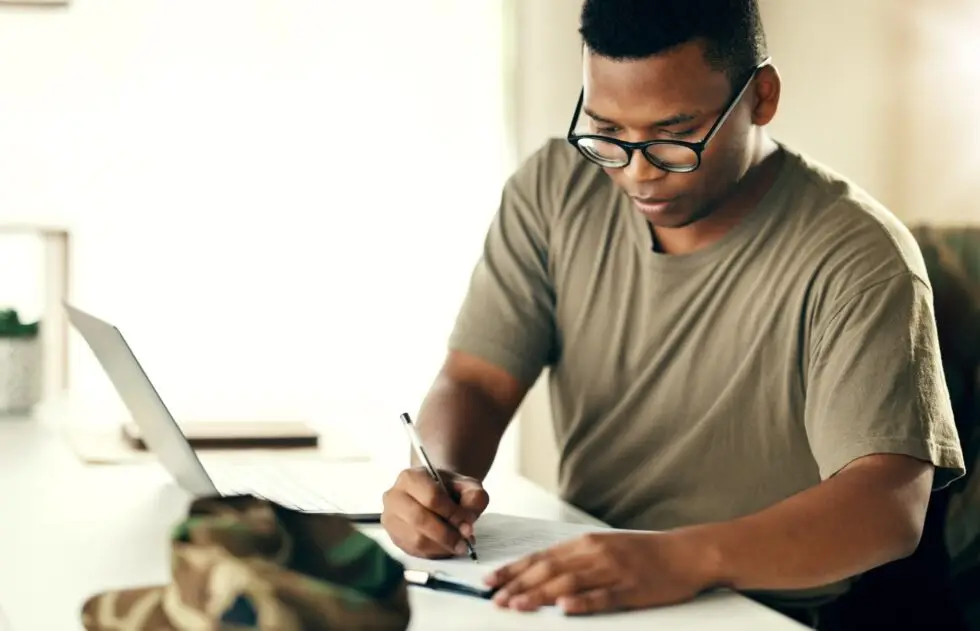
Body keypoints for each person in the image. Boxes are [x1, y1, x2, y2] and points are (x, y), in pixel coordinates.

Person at [379, 0, 967, 626]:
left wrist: (679, 559)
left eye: (673, 136)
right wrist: (440, 478)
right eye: (607, 131)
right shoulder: (555, 189)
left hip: (766, 609)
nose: (636, 173)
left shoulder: (859, 257)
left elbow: (885, 506)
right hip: (588, 585)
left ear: (761, 97)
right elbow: (477, 380)